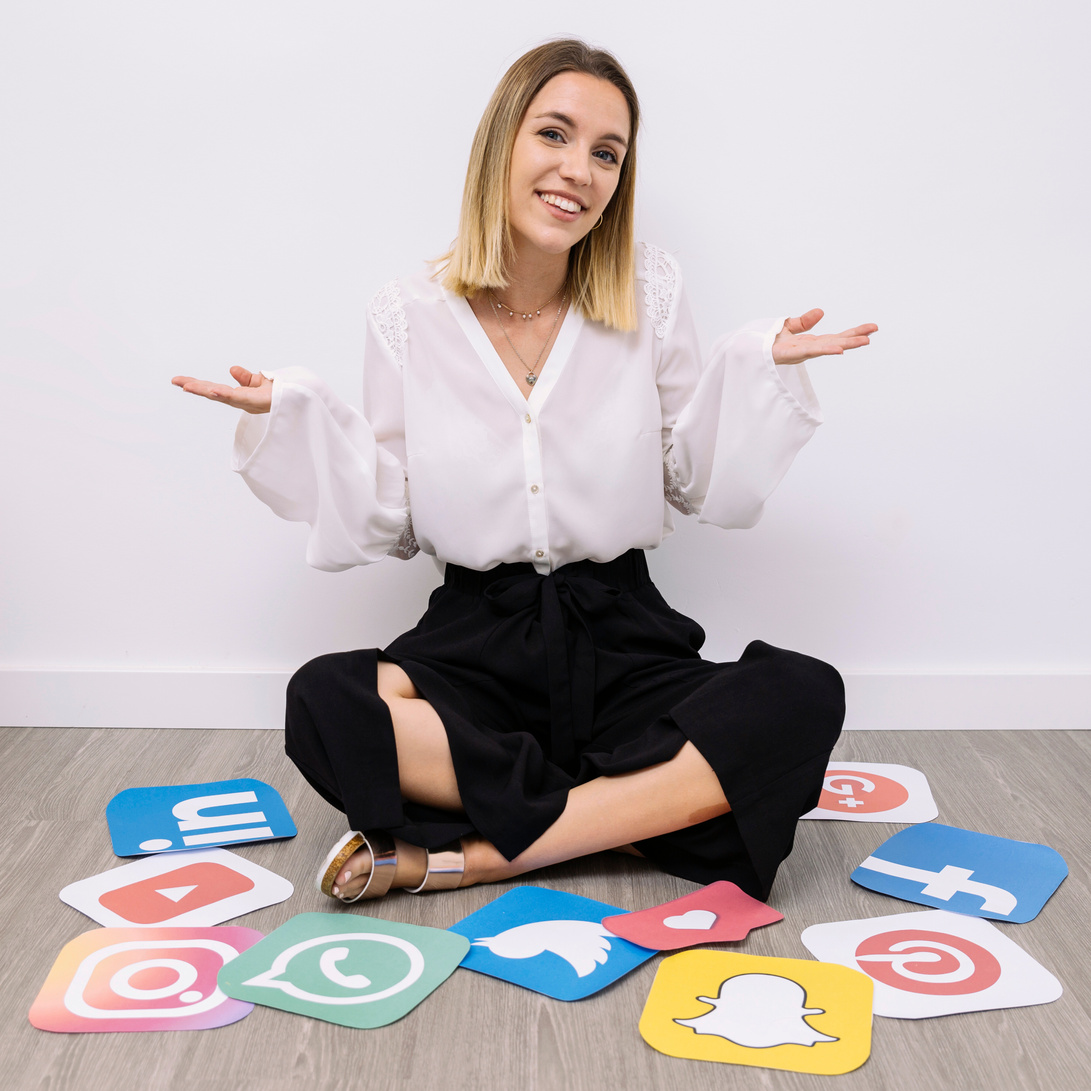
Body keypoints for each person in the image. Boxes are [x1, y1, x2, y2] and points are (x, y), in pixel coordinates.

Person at [172, 39, 876, 905]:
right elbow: (392, 517)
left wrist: (753, 365)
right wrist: (299, 415)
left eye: (606, 153)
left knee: (802, 693)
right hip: (477, 641)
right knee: (325, 700)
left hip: (623, 633)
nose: (578, 170)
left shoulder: (648, 289)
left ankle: (484, 853)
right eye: (555, 134)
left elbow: (689, 477)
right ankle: (627, 809)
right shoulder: (407, 315)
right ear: (502, 141)